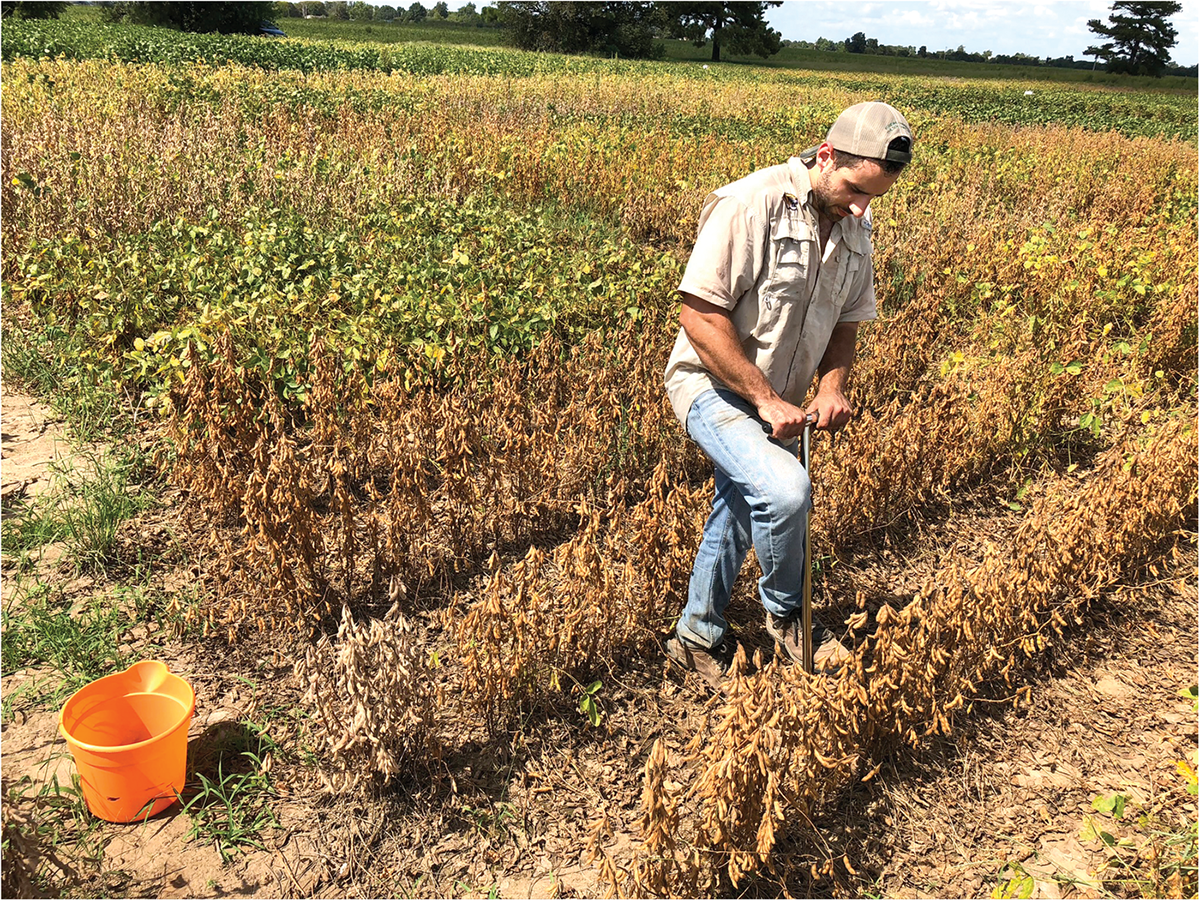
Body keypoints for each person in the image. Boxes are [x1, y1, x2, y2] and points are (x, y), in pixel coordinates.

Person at [663, 101, 913, 685]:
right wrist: (764, 397)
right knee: (784, 491)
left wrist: (831, 387)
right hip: (713, 384)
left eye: (875, 197)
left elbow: (847, 319)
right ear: (825, 156)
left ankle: (696, 636)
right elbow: (699, 315)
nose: (862, 206)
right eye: (855, 189)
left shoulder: (854, 222)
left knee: (741, 504)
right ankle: (788, 615)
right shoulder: (750, 204)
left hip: (782, 399)